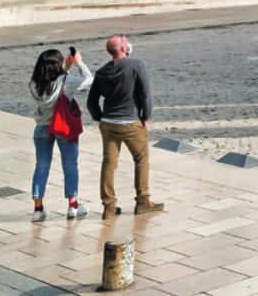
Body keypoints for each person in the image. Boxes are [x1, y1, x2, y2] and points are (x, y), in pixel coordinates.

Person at [87, 35, 164, 219]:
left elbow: (91, 101)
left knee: (109, 163)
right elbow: (146, 94)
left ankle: (109, 206)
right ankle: (143, 200)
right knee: (141, 158)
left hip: (108, 123)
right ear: (123, 48)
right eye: (124, 39)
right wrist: (146, 117)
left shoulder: (101, 72)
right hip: (130, 122)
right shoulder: (136, 65)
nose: (127, 41)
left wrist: (100, 117)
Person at [29, 46, 93, 221]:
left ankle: (38, 208)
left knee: (41, 166)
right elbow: (89, 79)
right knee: (70, 165)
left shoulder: (34, 84)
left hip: (42, 127)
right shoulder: (67, 81)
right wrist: (78, 62)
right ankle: (72, 205)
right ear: (57, 65)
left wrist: (66, 67)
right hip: (63, 127)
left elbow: (53, 84)